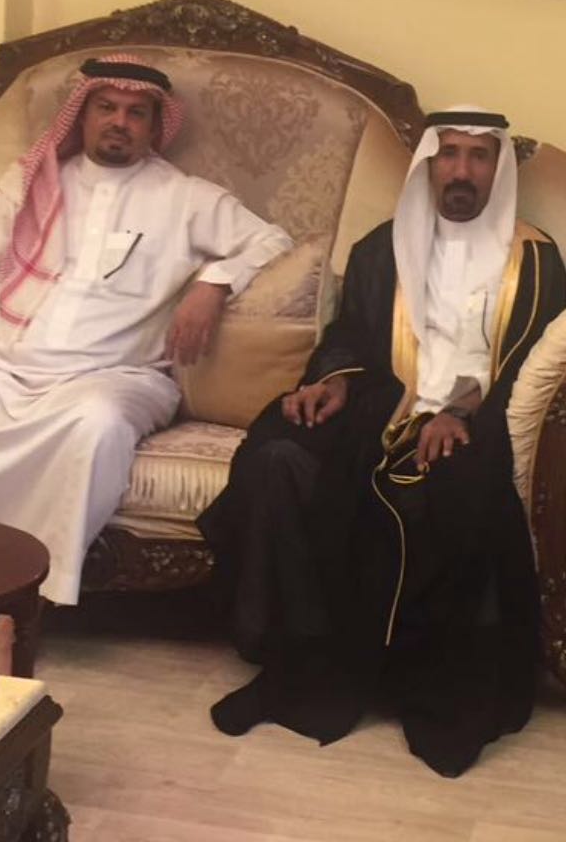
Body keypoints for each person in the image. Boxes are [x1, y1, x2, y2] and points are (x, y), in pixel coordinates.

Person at [198, 106, 566, 777]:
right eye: (449, 154)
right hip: (382, 405)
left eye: (478, 156)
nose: (461, 171)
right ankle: (297, 648)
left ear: (497, 168)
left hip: (478, 421)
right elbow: (351, 336)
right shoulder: (383, 247)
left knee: (454, 487)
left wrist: (460, 412)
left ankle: (424, 675)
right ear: (429, 164)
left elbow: (522, 366)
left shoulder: (536, 258)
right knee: (277, 452)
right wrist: (332, 381)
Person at [0, 54, 292, 606]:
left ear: (154, 126)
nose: (119, 122)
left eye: (136, 113)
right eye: (107, 107)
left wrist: (214, 284)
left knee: (97, 424)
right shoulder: (28, 187)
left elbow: (272, 241)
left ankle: (26, 598)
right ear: (83, 114)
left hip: (110, 378)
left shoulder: (186, 198)